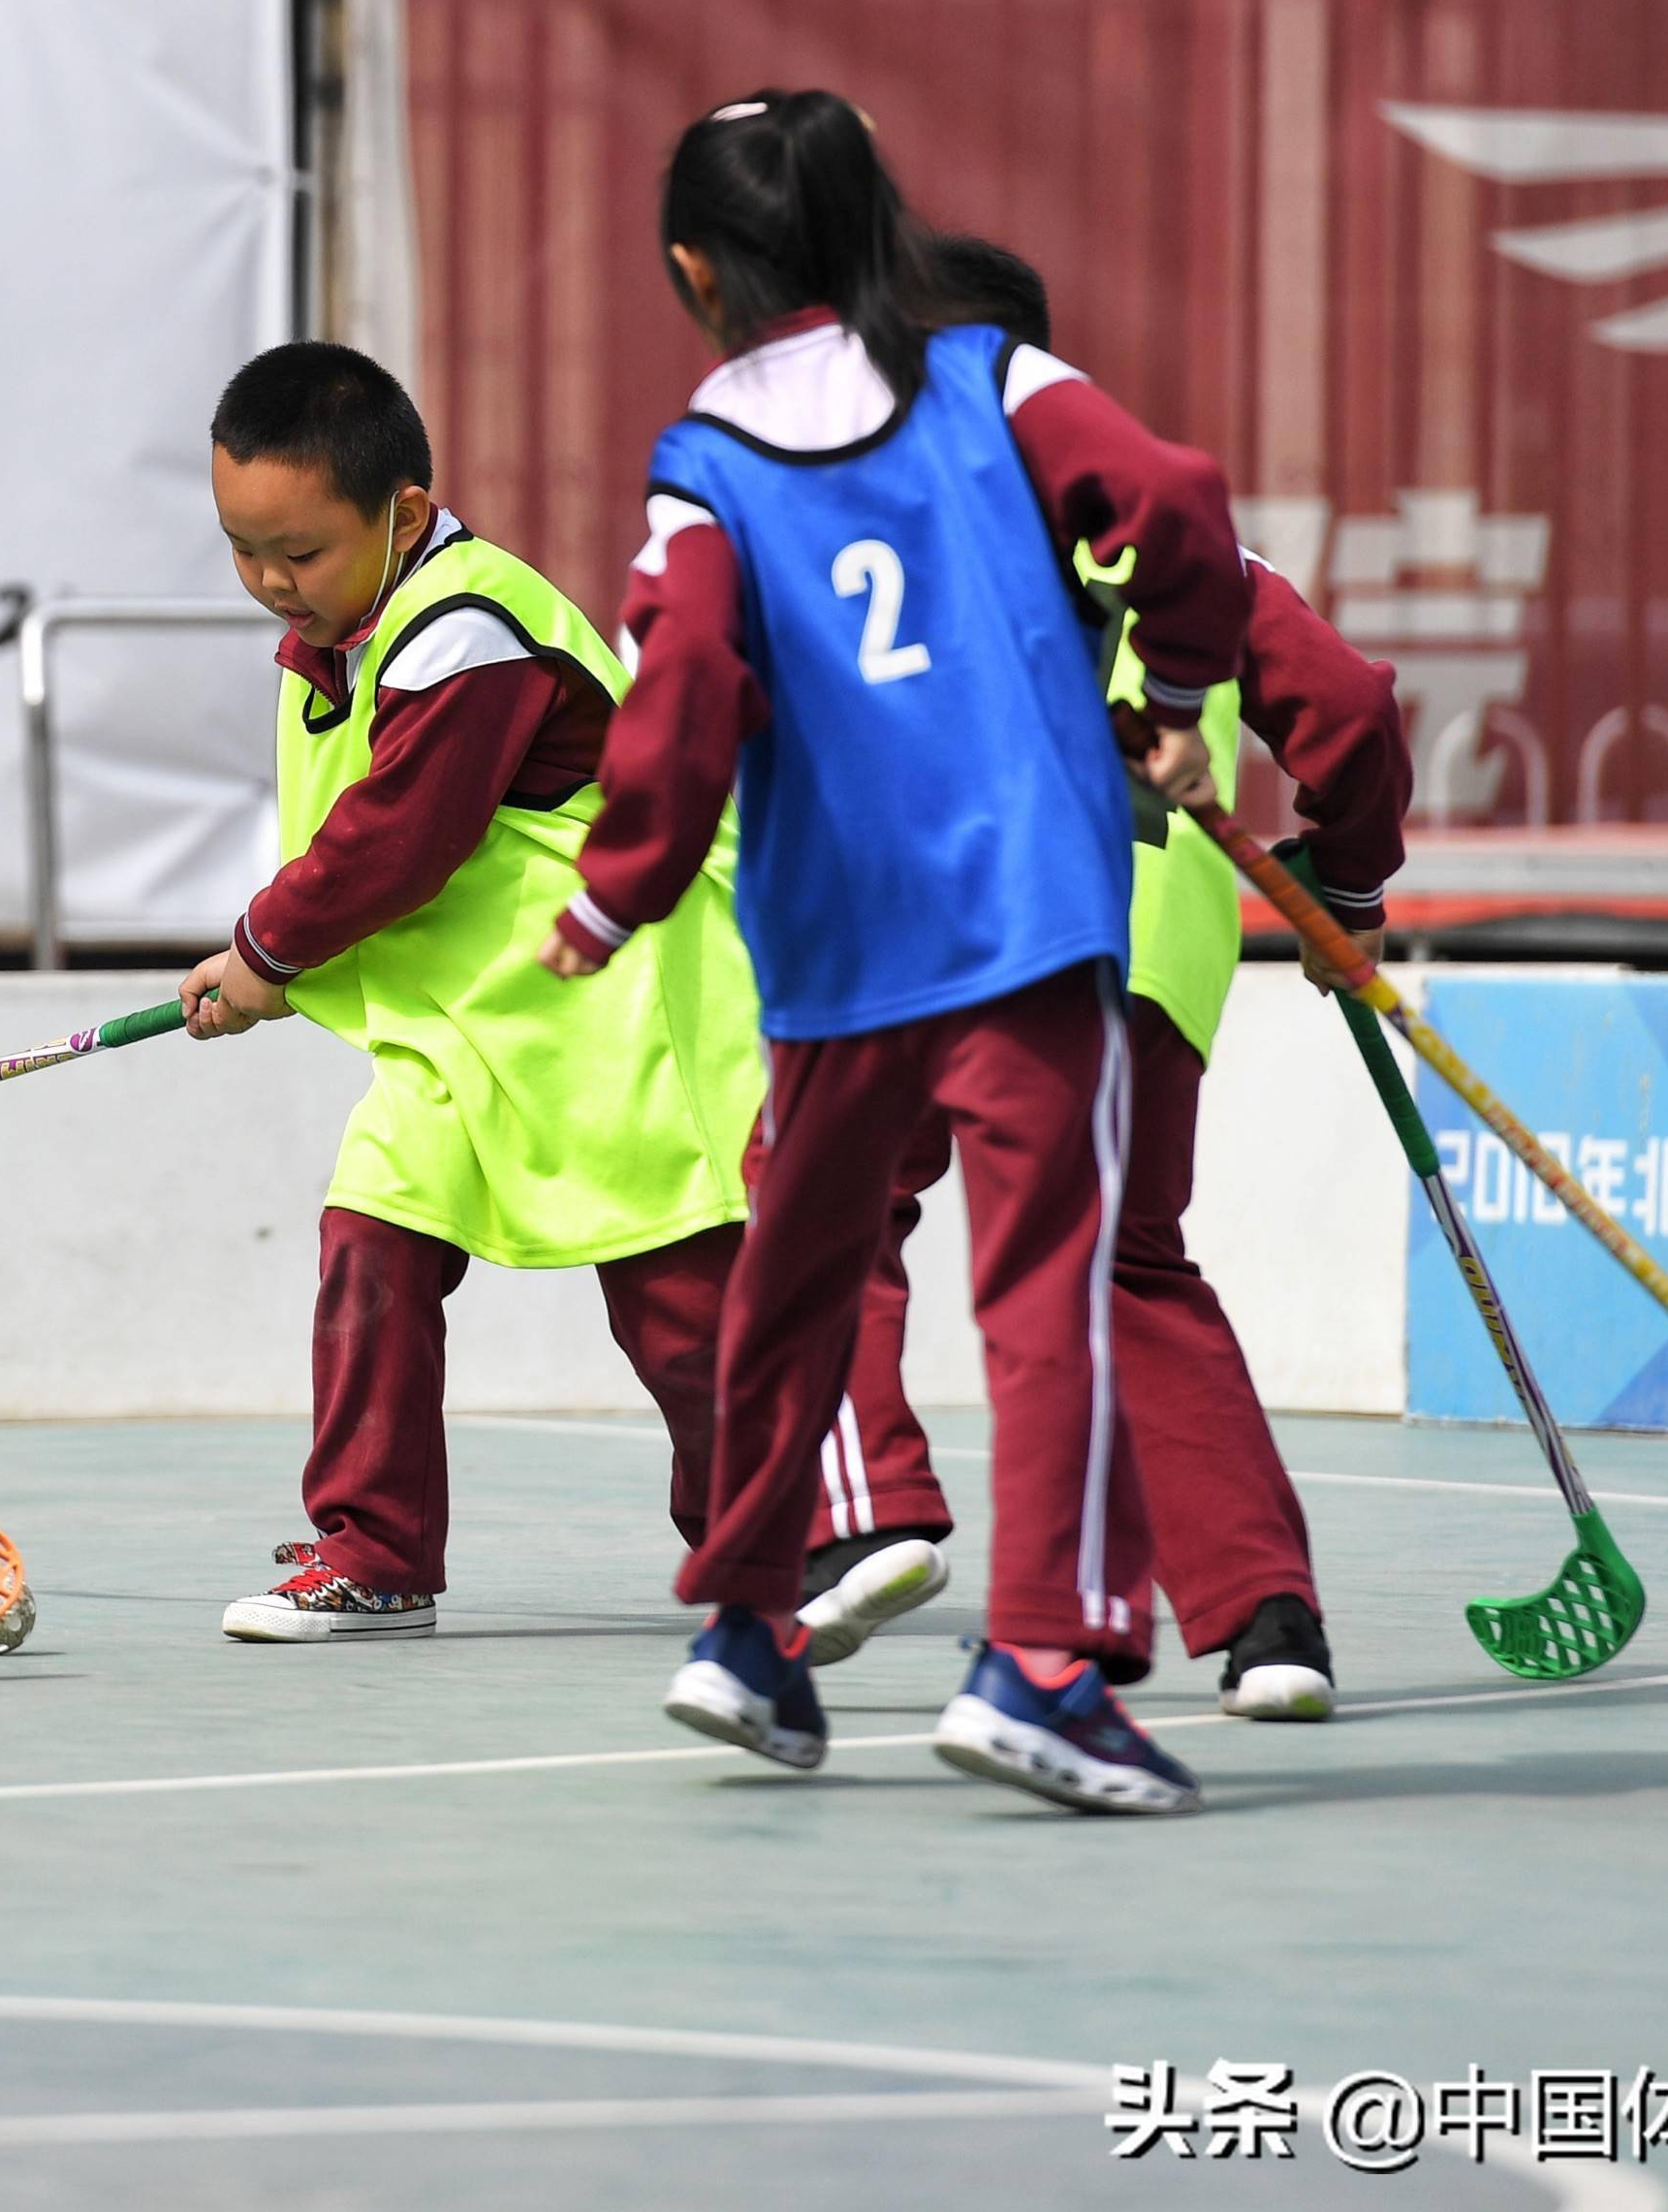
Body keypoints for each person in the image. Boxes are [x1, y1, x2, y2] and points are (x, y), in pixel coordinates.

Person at [541, 89, 1246, 1816]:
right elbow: (1178, 502)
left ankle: (750, 1630)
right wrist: (1164, 698)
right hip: (1020, 911)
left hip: (837, 936)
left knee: (796, 1278)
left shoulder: (699, 462)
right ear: (883, 220)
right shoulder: (998, 381)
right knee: (1045, 1289)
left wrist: (616, 889)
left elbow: (686, 681)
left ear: (693, 268)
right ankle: (1049, 1664)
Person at [790, 251, 1406, 1722]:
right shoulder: (1182, 558)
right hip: (1141, 957)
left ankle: (876, 1510)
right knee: (1125, 1262)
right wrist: (1352, 892)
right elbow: (1356, 710)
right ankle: (1268, 1626)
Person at [179, 342, 764, 1640]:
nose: (272, 582)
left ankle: (774, 1537)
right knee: (369, 1253)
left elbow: (401, 836)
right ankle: (374, 1546)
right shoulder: (339, 634)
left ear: (399, 512)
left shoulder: (468, 631)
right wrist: (282, 960)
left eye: (302, 550)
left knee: (679, 1317)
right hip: (462, 1031)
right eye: (242, 547)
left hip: (610, 1010)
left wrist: (265, 955)